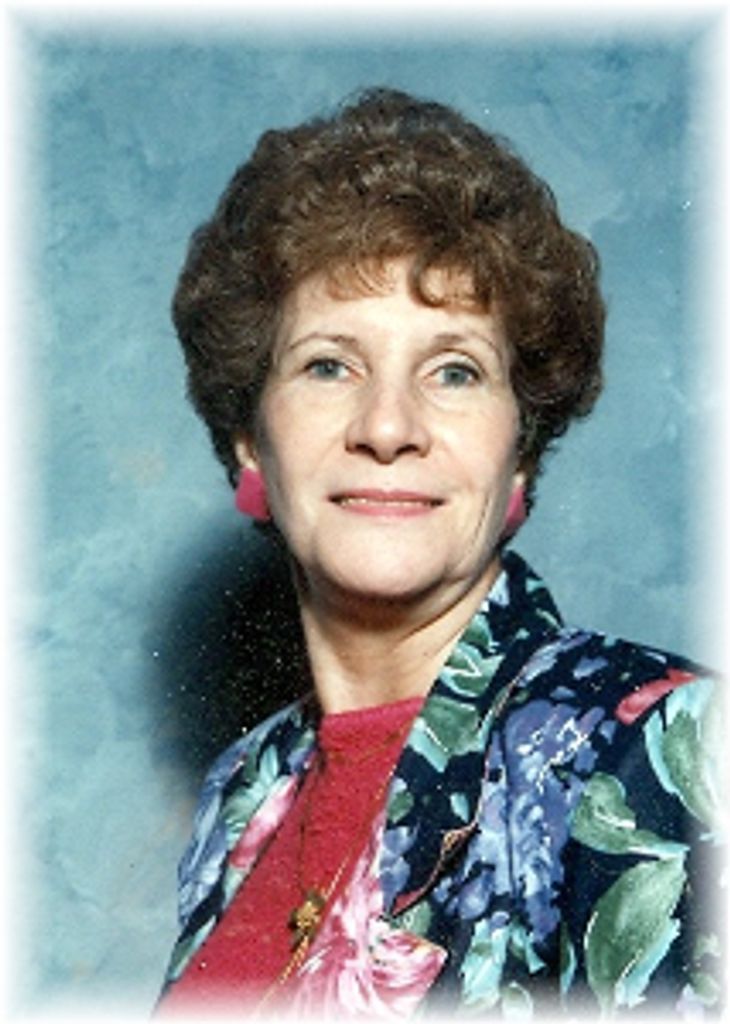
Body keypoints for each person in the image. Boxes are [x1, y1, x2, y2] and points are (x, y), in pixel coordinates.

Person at [156, 88, 722, 1018]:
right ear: (251, 441)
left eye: (454, 370)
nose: (388, 427)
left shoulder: (661, 747)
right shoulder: (241, 795)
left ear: (519, 453)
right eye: (329, 364)